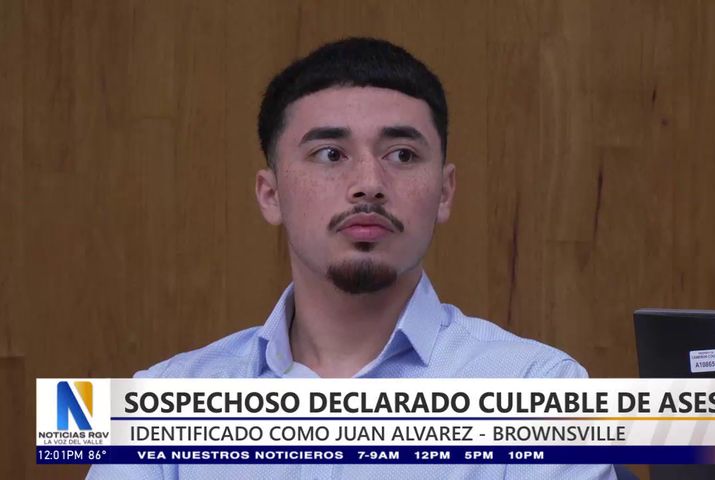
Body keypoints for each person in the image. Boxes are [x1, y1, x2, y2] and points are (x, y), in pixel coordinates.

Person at [88, 37, 616, 480]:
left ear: (445, 191)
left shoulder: (539, 388)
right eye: (330, 154)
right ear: (271, 195)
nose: (368, 184)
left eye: (402, 155)